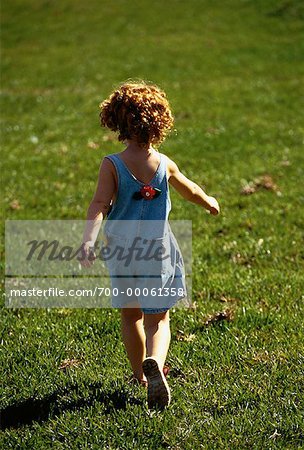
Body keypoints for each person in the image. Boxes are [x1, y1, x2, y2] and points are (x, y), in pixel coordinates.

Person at [80, 80, 220, 409]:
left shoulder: (111, 164)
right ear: (160, 122)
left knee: (130, 317)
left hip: (123, 252)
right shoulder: (165, 164)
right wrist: (209, 201)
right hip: (157, 252)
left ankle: (139, 375)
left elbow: (99, 204)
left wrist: (87, 240)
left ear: (116, 121)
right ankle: (156, 360)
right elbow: (191, 190)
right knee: (157, 319)